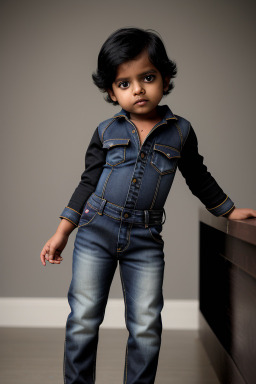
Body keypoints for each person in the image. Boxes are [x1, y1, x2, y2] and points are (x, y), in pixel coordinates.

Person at [40, 28, 256, 384]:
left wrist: (228, 210)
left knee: (145, 324)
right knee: (83, 319)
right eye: (124, 83)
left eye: (148, 77)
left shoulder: (180, 132)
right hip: (96, 231)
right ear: (111, 92)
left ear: (165, 79)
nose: (137, 89)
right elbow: (87, 183)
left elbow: (198, 176)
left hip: (145, 237)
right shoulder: (105, 131)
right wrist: (63, 230)